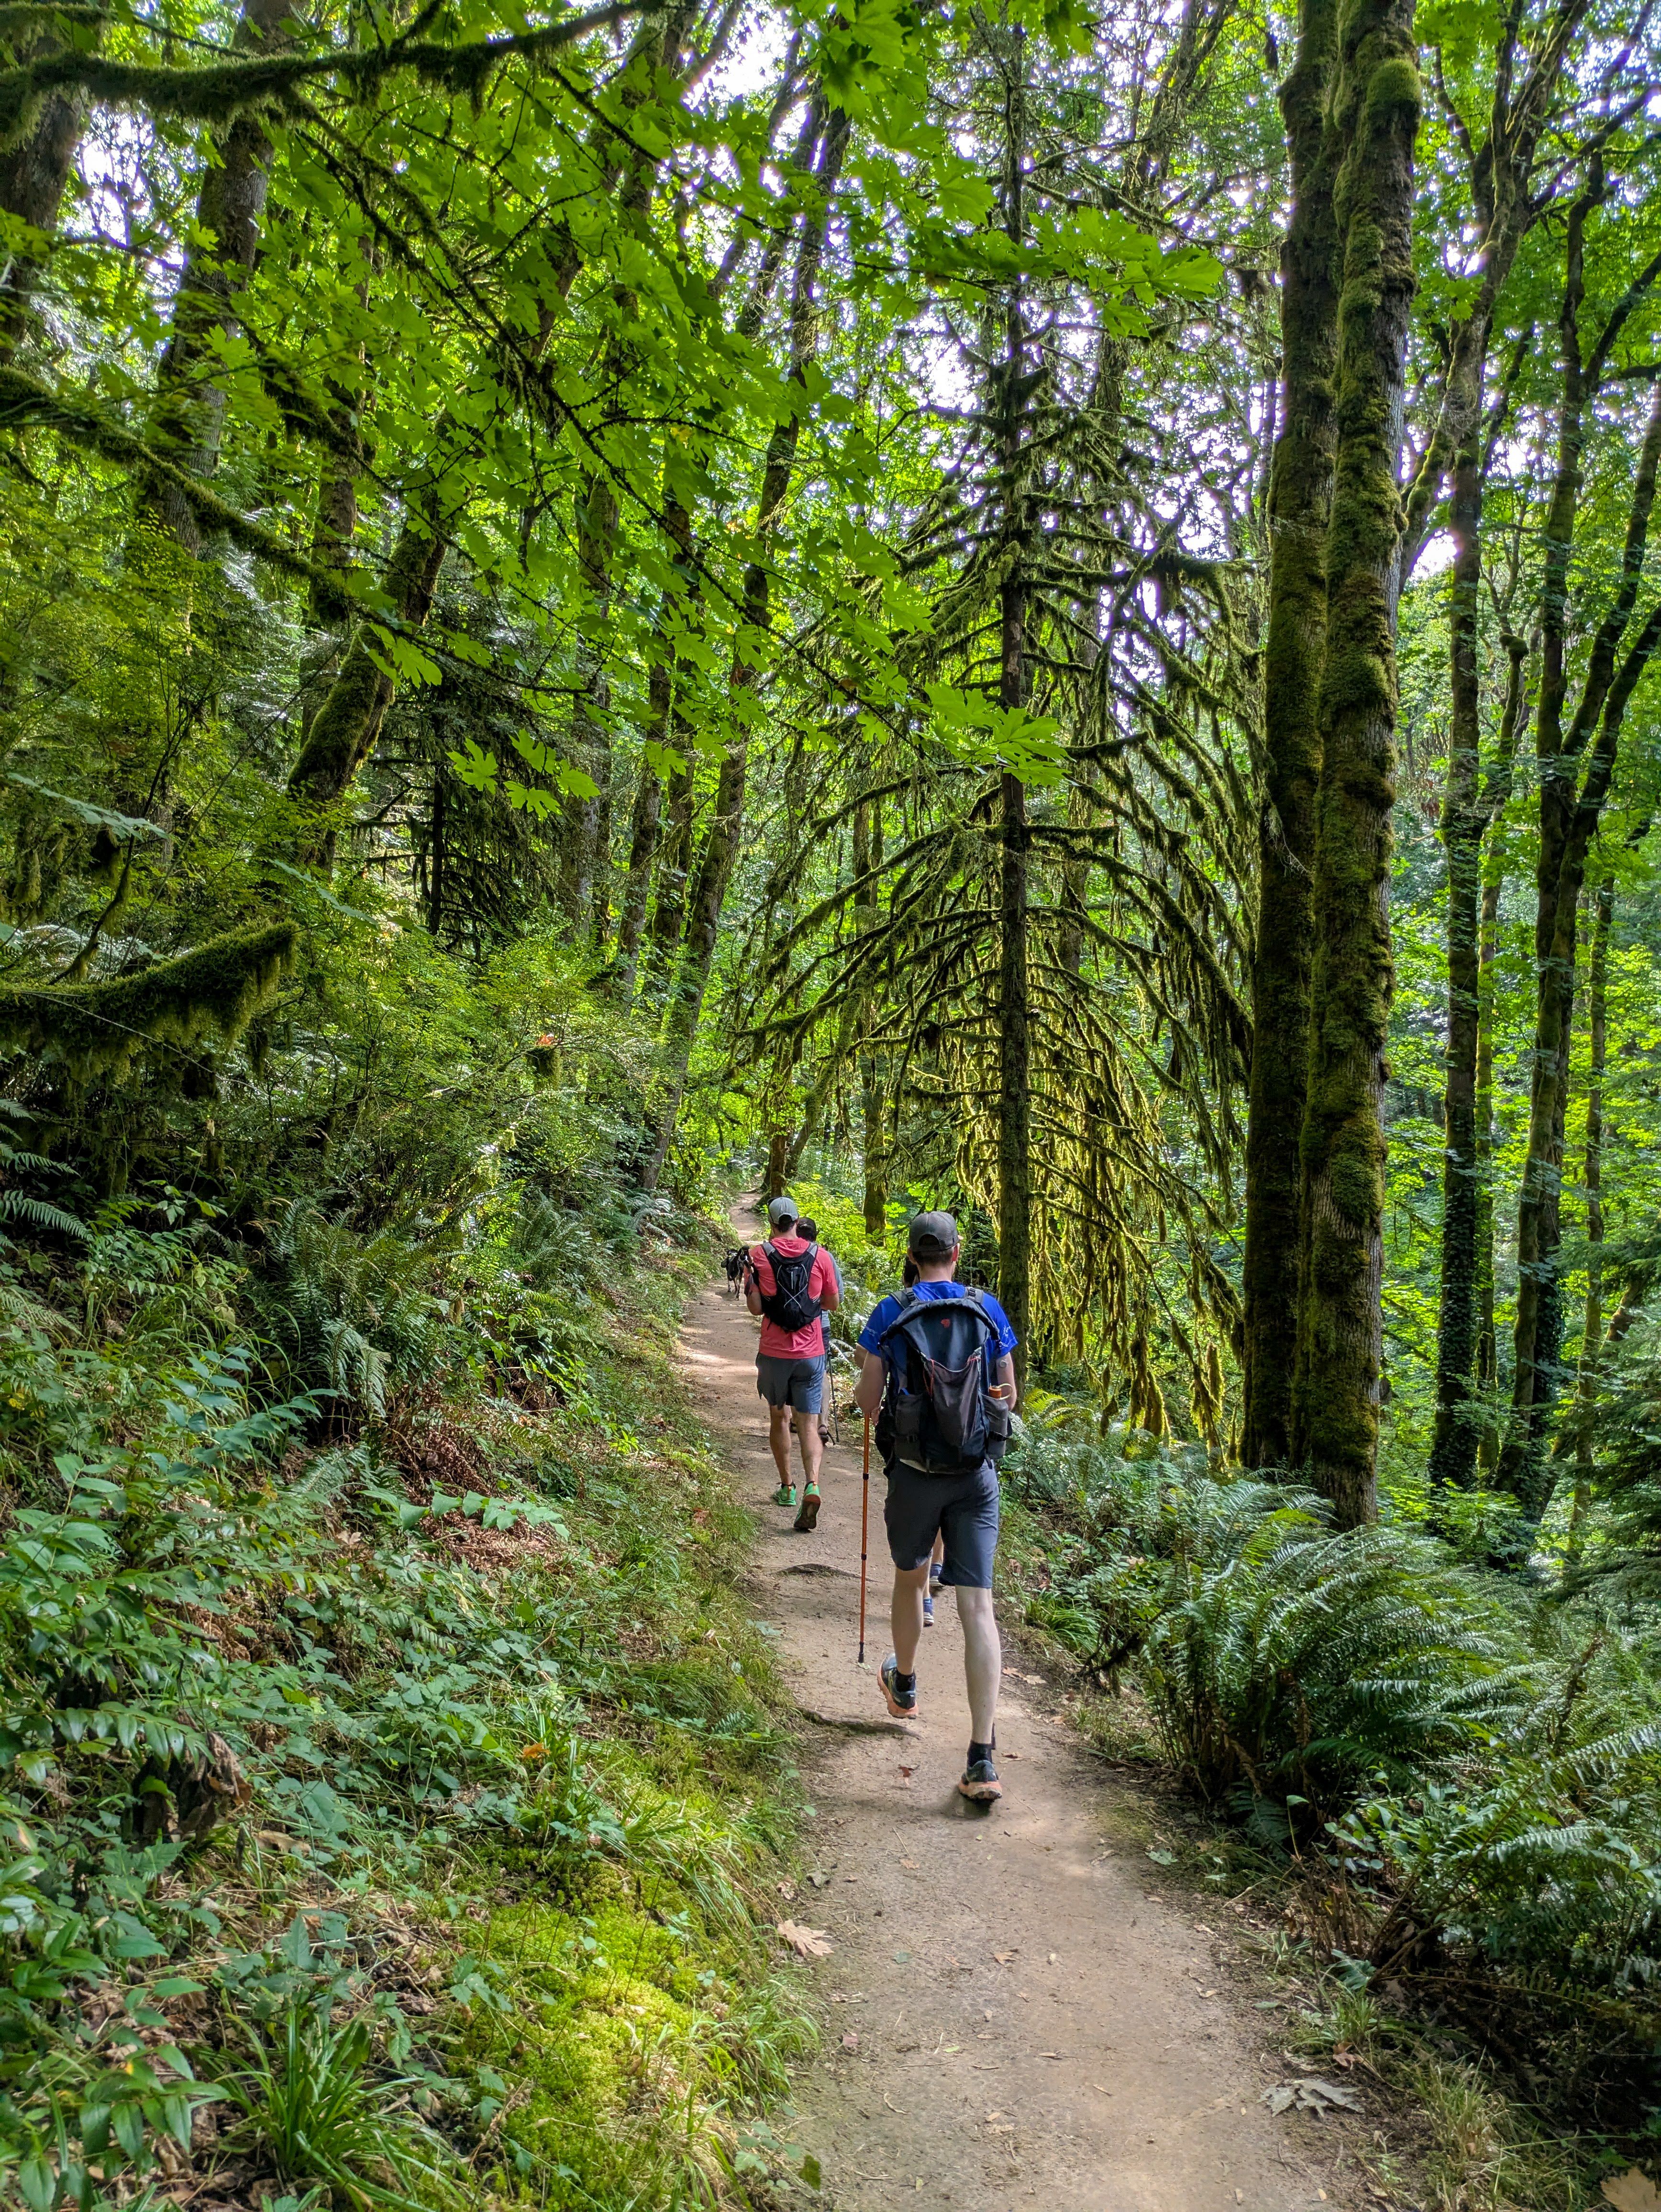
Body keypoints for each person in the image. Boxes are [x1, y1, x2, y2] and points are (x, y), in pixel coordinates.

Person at [853, 1211, 1018, 1803]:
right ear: (956, 1250)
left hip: (916, 1476)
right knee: (978, 1608)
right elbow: (1008, 1394)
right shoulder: (987, 1308)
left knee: (908, 1579)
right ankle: (982, 1758)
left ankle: (905, 1684)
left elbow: (868, 1401)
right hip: (975, 1478)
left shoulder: (891, 1311)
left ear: (912, 1254)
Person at [747, 1195, 840, 1531]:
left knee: (779, 1417)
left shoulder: (757, 1256)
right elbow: (832, 1303)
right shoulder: (821, 1255)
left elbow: (756, 1309)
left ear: (771, 1223)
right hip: (811, 1352)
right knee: (810, 1424)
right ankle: (813, 1484)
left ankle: (787, 1488)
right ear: (798, 1222)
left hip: (774, 1351)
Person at [794, 1217, 842, 1446]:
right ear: (816, 1235)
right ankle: (821, 1423)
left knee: (793, 1368)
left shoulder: (787, 1254)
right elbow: (837, 1297)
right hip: (820, 1324)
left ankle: (797, 1420)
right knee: (819, 1373)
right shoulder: (826, 1257)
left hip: (791, 1323)